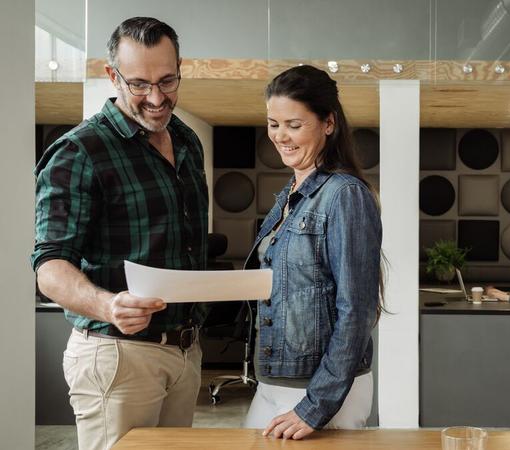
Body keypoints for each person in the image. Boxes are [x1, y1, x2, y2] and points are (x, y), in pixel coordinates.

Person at [31, 17, 208, 450]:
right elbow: (49, 264)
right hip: (117, 355)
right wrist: (108, 304)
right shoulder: (80, 151)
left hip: (185, 352)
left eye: (168, 81)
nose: (156, 97)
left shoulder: (186, 140)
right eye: (139, 84)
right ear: (113, 76)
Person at [242, 65, 383, 440]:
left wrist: (315, 406)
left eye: (293, 124)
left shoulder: (344, 195)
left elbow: (357, 309)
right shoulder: (289, 195)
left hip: (321, 390)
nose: (280, 136)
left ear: (328, 123)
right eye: (273, 123)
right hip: (274, 380)